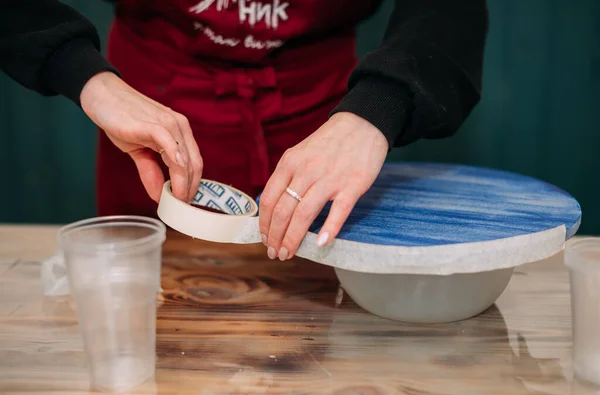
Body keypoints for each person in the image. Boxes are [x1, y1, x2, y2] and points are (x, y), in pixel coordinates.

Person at [1, 0, 488, 262]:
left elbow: (448, 8)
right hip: (152, 108)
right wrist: (87, 77)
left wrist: (376, 110)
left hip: (323, 115)